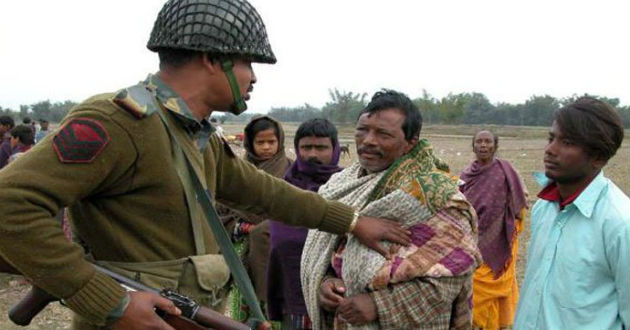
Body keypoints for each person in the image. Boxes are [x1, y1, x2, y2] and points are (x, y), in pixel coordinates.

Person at [0, 1, 411, 330]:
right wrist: (110, 301)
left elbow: (267, 192)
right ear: (212, 59)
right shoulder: (118, 121)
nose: (253, 78)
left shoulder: (192, 135)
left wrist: (352, 221)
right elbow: (9, 203)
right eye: (247, 63)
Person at [301, 90, 482, 330]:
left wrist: (379, 304)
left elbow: (450, 280)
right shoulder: (340, 185)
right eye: (362, 130)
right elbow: (322, 250)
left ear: (410, 142)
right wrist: (324, 284)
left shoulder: (436, 197)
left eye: (383, 134)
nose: (368, 141)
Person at [514, 97, 629, 330]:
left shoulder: (620, 223)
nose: (550, 150)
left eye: (566, 142)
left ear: (598, 157)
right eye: (551, 138)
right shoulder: (544, 208)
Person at [267, 118, 343, 330]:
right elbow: (281, 237)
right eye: (306, 147)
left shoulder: (349, 184)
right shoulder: (286, 186)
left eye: (321, 147)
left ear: (335, 149)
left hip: (338, 293)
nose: (312, 155)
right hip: (291, 290)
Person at [218, 115, 293, 322]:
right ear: (250, 143)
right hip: (242, 252)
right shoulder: (237, 172)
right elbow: (221, 210)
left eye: (271, 142)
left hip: (278, 250)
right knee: (244, 302)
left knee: (277, 305)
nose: (267, 147)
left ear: (280, 142)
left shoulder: (291, 170)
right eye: (260, 142)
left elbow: (298, 209)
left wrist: (267, 228)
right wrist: (244, 228)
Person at [459, 130, 528, 330]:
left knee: (495, 280)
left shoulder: (506, 170)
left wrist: (513, 226)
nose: (483, 145)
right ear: (473, 146)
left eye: (487, 141)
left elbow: (519, 199)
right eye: (479, 141)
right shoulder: (465, 175)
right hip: (473, 239)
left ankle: (494, 325)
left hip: (503, 236)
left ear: (495, 145)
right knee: (475, 282)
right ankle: (477, 323)